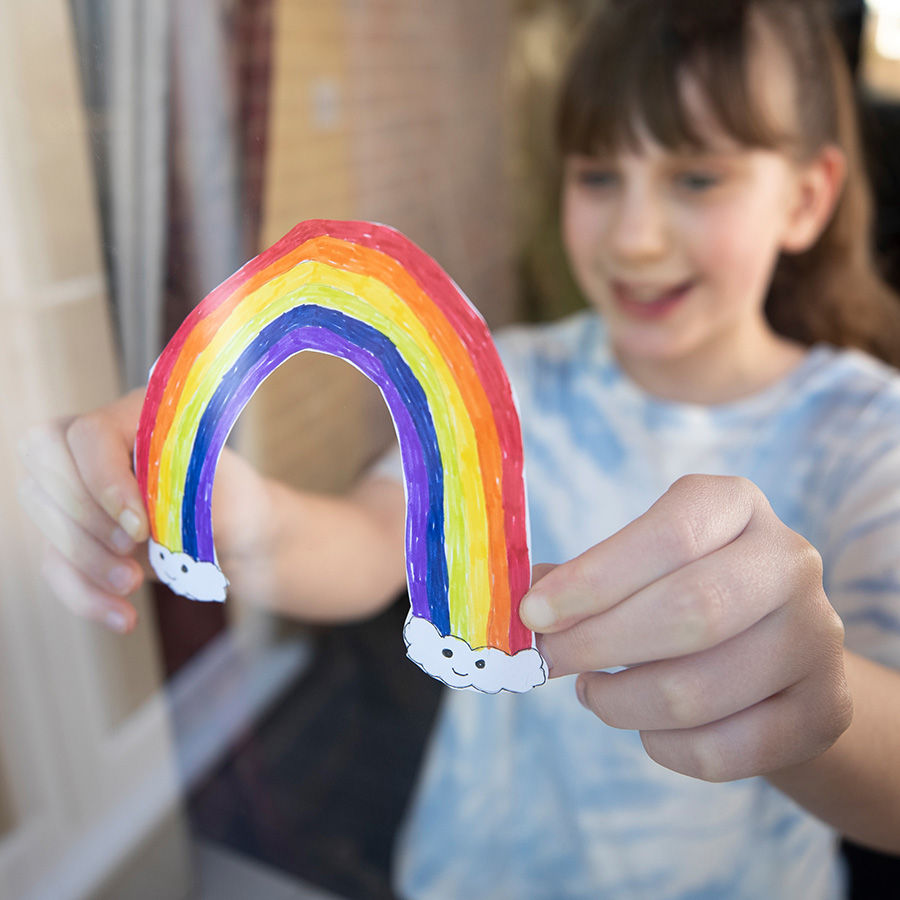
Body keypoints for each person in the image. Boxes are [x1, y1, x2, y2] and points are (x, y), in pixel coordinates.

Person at [16, 0, 900, 896]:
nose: (634, 235)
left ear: (807, 197)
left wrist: (814, 696)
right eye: (597, 176)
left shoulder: (867, 435)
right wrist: (233, 510)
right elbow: (369, 543)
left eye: (697, 179)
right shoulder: (510, 378)